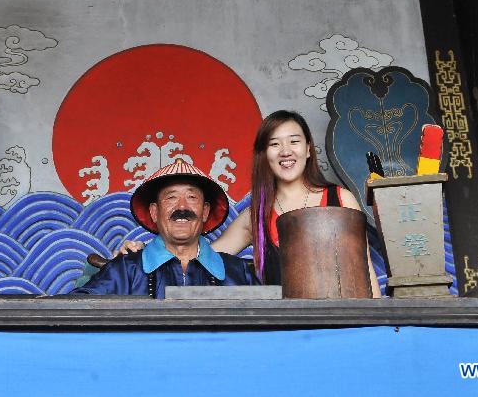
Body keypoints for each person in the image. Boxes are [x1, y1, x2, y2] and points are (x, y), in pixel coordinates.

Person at [120, 110, 381, 297]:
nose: (285, 151)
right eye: (274, 144)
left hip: (344, 320)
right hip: (284, 329)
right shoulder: (255, 216)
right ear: (264, 154)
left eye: (294, 141)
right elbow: (201, 256)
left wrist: (375, 324)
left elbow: (365, 268)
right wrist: (147, 250)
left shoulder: (339, 198)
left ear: (309, 149)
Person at [72, 159, 259, 298]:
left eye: (192, 197)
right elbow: (73, 310)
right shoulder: (125, 270)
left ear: (205, 211)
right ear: (154, 212)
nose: (182, 207)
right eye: (171, 198)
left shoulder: (238, 271)